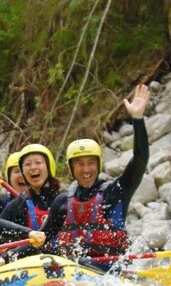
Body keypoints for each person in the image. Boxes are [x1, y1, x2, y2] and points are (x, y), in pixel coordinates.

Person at [40, 84, 151, 271]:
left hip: (110, 272)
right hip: (72, 273)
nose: (85, 169)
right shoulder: (61, 202)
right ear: (71, 168)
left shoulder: (115, 192)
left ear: (99, 165)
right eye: (79, 164)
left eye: (91, 163)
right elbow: (43, 240)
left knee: (75, 264)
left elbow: (140, 159)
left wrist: (138, 119)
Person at [0, 144, 62, 231]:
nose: (33, 167)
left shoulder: (66, 199)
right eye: (28, 164)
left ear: (49, 167)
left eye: (38, 162)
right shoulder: (18, 206)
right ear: (23, 172)